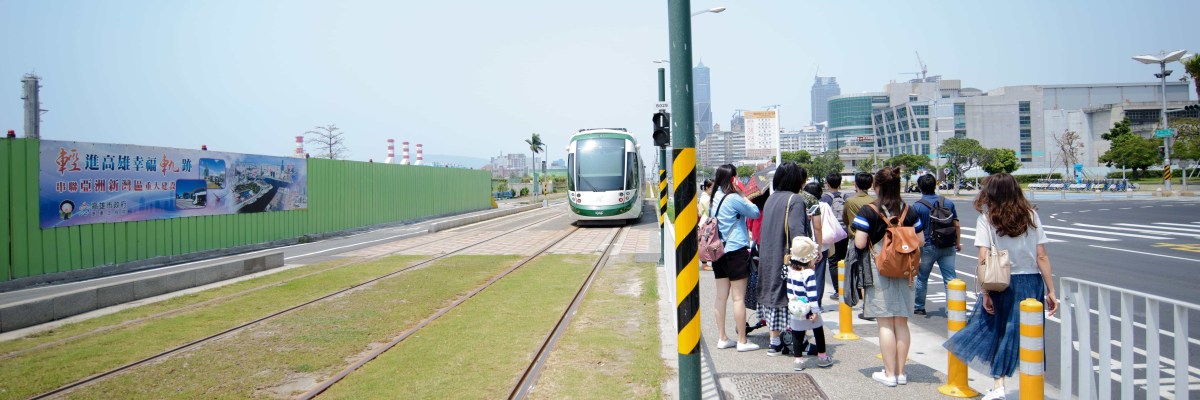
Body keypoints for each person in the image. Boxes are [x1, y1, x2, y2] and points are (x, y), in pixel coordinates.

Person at [943, 173, 1058, 400]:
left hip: (1000, 280)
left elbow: (983, 256)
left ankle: (998, 386)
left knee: (997, 329)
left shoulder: (987, 219)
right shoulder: (1031, 215)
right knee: (1026, 334)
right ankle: (1032, 386)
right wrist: (1051, 290)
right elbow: (1042, 255)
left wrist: (985, 290)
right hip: (1031, 281)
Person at [852, 167, 924, 387]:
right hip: (905, 269)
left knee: (884, 323)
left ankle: (889, 374)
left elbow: (860, 243)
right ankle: (901, 373)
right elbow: (920, 241)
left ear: (877, 186)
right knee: (901, 322)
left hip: (879, 269)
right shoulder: (909, 211)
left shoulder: (869, 210)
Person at [755, 162, 809, 356]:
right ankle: (795, 342)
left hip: (768, 255)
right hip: (787, 258)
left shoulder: (770, 199)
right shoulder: (795, 200)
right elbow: (797, 234)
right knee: (793, 297)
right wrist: (807, 258)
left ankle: (774, 341)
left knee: (772, 293)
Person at [710, 164, 762, 352]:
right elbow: (755, 213)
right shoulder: (733, 198)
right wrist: (742, 193)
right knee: (738, 298)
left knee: (720, 297)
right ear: (733, 179)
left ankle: (722, 337)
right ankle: (742, 340)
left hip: (718, 252)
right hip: (735, 251)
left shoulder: (713, 197)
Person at [910, 174, 960, 315]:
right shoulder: (948, 203)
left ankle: (919, 307)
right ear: (935, 185)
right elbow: (956, 224)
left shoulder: (918, 206)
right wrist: (958, 242)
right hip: (948, 245)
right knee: (950, 279)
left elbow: (914, 229)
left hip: (927, 245)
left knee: (922, 278)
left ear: (920, 187)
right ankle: (952, 309)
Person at [786, 236, 834, 370]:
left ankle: (798, 360)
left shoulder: (790, 271)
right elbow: (812, 295)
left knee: (797, 333)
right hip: (808, 309)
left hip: (795, 307)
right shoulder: (808, 274)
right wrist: (815, 311)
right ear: (808, 259)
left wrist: (792, 303)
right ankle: (822, 357)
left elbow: (789, 290)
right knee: (818, 331)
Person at [844, 172, 877, 321]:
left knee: (856, 273)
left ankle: (860, 304)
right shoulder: (876, 201)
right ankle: (870, 305)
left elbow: (846, 219)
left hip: (855, 240)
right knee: (870, 273)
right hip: (874, 241)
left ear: (856, 184)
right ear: (871, 185)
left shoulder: (850, 201)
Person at [820, 172, 852, 300]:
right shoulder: (846, 197)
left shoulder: (825, 198)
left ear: (827, 183)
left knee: (833, 262)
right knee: (843, 259)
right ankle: (845, 287)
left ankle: (838, 290)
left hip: (832, 233)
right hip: (844, 232)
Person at [802, 182, 831, 306]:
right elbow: (820, 227)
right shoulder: (824, 205)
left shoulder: (800, 203)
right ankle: (816, 303)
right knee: (818, 275)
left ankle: (804, 302)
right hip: (821, 244)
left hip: (804, 243)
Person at [698, 179, 715, 271]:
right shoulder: (707, 199)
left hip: (703, 221)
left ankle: (705, 263)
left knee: (704, 243)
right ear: (707, 187)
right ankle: (704, 264)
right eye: (713, 187)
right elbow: (711, 212)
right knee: (706, 244)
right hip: (707, 223)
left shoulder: (703, 197)